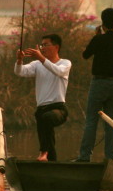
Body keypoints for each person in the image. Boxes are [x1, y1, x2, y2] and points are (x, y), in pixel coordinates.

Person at [75, 8, 113, 162]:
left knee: (91, 120)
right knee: (112, 122)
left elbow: (85, 55)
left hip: (98, 83)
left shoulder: (98, 40)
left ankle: (85, 156)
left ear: (103, 23)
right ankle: (111, 158)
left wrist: (97, 37)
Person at [14, 33, 72, 162]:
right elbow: (20, 72)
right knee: (45, 123)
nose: (43, 48)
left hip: (58, 108)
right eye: (42, 45)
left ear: (56, 47)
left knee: (46, 119)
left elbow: (58, 71)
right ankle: (51, 159)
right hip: (42, 109)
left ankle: (43, 152)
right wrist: (19, 60)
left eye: (46, 45)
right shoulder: (37, 64)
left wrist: (41, 58)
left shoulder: (65, 63)